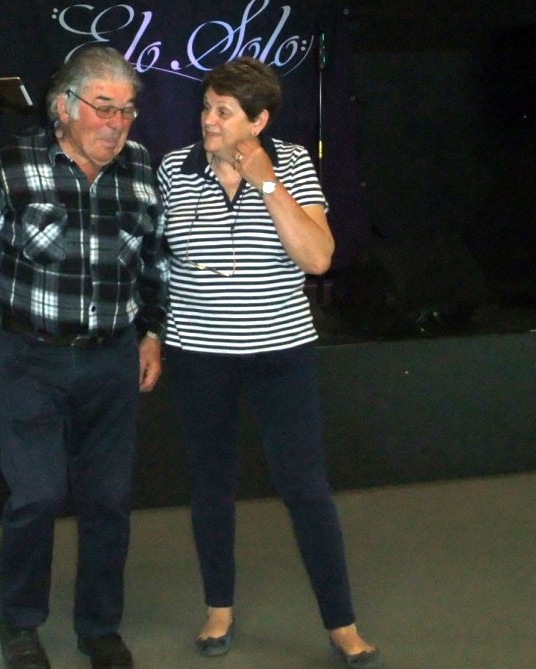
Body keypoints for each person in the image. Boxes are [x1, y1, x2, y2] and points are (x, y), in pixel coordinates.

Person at [0, 46, 167, 669]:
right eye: (104, 107)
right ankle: (19, 621)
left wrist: (152, 333)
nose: (117, 123)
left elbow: (155, 261)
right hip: (30, 357)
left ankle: (99, 627)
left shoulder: (142, 167)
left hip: (112, 358)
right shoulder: (12, 163)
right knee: (35, 497)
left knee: (108, 500)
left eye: (127, 110)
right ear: (63, 106)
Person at [156, 58, 382, 668]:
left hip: (281, 353)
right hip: (199, 354)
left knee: (305, 487)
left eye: (223, 112)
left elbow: (318, 258)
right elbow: (157, 263)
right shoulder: (175, 169)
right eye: (206, 107)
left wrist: (267, 182)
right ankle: (218, 609)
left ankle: (342, 624)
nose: (208, 120)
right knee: (210, 484)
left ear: (258, 122)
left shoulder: (293, 164)